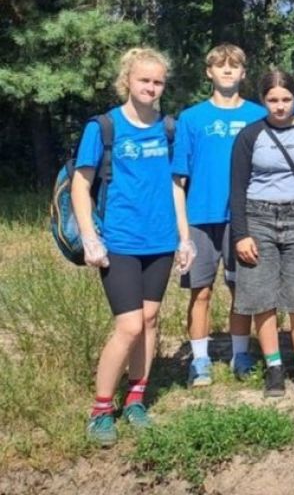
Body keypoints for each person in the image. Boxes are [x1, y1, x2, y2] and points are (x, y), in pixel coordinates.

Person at [73, 48, 193, 445]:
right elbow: (81, 184)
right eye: (144, 80)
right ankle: (101, 409)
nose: (151, 88)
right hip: (119, 242)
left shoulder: (170, 128)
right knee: (129, 326)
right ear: (128, 80)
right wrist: (90, 238)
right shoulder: (104, 127)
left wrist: (184, 237)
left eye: (158, 82)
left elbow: (177, 187)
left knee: (152, 320)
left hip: (160, 241)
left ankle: (136, 398)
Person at [230, 70, 294, 397]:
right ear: (263, 100)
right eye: (273, 100)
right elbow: (237, 187)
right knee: (262, 296)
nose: (280, 106)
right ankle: (273, 367)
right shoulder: (250, 135)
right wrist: (241, 234)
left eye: (286, 99)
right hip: (258, 216)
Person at [171, 43, 266, 386]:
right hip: (199, 217)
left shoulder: (258, 115)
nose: (227, 71)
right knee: (201, 291)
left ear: (244, 73)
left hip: (244, 219)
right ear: (208, 72)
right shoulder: (191, 118)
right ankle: (199, 360)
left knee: (242, 289)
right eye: (220, 66)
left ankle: (241, 353)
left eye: (234, 66)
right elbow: (178, 179)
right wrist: (182, 234)